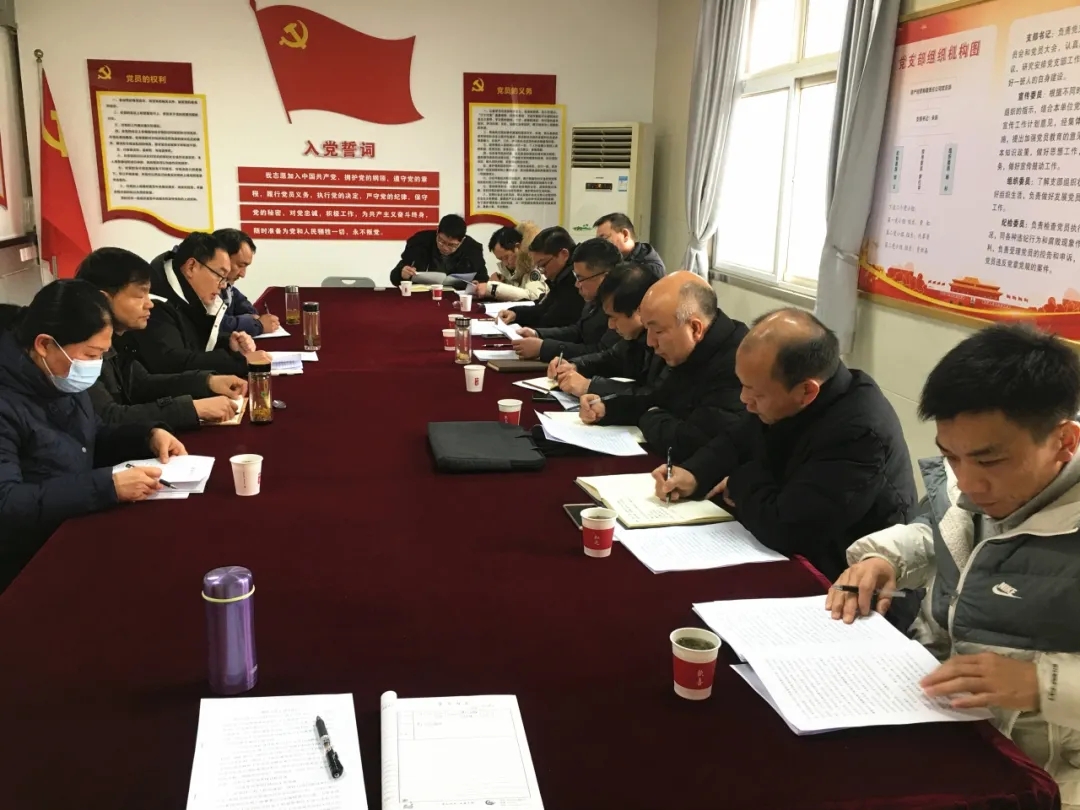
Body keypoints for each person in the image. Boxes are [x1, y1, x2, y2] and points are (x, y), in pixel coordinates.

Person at [828, 324, 1080, 805]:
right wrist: (885, 557)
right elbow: (942, 531)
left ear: (1064, 441)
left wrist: (1040, 683)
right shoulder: (968, 479)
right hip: (946, 719)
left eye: (990, 461)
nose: (968, 482)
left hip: (1048, 773)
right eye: (952, 457)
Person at [654, 308, 917, 580]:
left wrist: (738, 481)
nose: (744, 399)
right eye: (742, 385)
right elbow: (738, 438)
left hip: (846, 578)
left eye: (755, 393)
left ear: (807, 391)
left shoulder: (859, 433)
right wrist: (694, 473)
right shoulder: (791, 393)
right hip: (787, 542)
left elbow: (789, 529)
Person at [0, 280, 187, 592]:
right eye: (89, 354)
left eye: (102, 354)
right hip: (28, 564)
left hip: (75, 526)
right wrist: (106, 487)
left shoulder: (58, 375)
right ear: (44, 344)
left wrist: (146, 436)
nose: (95, 366)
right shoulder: (8, 400)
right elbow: (7, 503)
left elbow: (90, 436)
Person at [579, 271, 747, 461]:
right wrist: (606, 408)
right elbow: (659, 398)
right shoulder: (689, 348)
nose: (650, 342)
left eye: (657, 331)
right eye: (647, 330)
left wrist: (649, 416)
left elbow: (693, 442)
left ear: (695, 328)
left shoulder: (737, 363)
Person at [76, 247, 248, 431]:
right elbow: (109, 417)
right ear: (103, 300)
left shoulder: (120, 338)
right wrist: (193, 408)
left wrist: (207, 382)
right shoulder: (79, 349)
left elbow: (141, 384)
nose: (149, 304)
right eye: (140, 295)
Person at [131, 233, 269, 376]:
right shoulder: (155, 303)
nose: (223, 285)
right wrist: (238, 363)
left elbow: (193, 342)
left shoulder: (188, 294)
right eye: (219, 275)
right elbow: (173, 362)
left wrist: (228, 344)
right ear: (191, 267)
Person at [551, 261, 661, 398]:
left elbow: (654, 395)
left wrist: (589, 386)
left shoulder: (664, 342)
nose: (611, 325)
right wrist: (575, 366)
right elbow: (611, 358)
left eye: (614, 318)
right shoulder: (636, 335)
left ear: (640, 311)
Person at [513, 238, 621, 363]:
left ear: (605, 277)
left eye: (580, 278)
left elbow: (602, 352)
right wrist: (537, 334)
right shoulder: (594, 298)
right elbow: (578, 331)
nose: (577, 284)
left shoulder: (621, 304)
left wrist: (544, 348)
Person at [497, 227, 581, 330]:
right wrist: (515, 313)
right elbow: (545, 308)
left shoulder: (576, 278)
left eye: (543, 264)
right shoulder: (562, 276)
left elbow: (553, 320)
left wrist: (535, 333)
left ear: (563, 255)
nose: (541, 271)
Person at [390, 214, 487, 287]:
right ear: (437, 232)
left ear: (462, 241)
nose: (445, 247)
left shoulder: (473, 249)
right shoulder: (419, 242)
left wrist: (477, 283)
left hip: (457, 297)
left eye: (452, 245)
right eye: (441, 241)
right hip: (421, 296)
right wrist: (402, 274)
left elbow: (483, 278)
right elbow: (394, 277)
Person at [213, 228, 278, 339]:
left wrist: (253, 318)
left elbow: (244, 306)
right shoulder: (204, 286)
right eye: (240, 265)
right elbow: (216, 323)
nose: (243, 274)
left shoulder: (227, 286)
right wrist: (259, 325)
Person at [475, 223, 547, 302]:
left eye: (506, 257)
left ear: (517, 247)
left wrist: (493, 287)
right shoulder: (511, 269)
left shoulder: (535, 266)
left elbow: (534, 296)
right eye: (501, 259)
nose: (505, 263)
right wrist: (488, 285)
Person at [593, 212, 665, 278]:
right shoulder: (611, 259)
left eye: (604, 238)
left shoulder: (650, 269)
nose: (600, 244)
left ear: (625, 234)